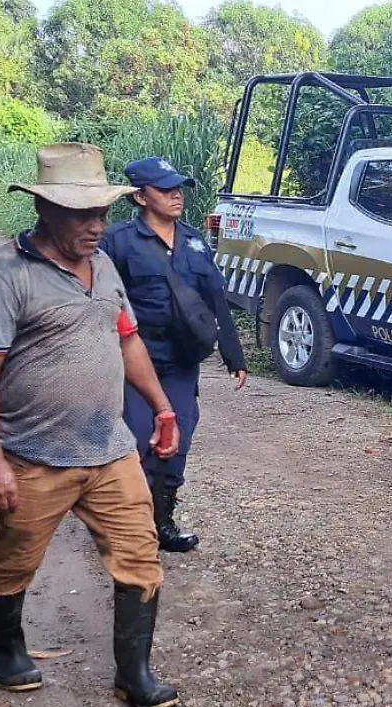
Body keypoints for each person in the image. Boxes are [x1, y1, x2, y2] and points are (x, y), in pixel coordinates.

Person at [0, 142, 182, 707]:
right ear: (46, 210)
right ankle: (6, 648)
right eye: (83, 215)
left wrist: (160, 406)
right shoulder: (1, 278)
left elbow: (126, 337)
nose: (97, 226)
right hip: (34, 455)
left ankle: (134, 674)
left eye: (102, 214)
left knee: (141, 555)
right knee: (14, 561)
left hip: (110, 450)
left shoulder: (103, 266)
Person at [100, 157, 247, 554]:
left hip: (182, 359)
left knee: (176, 438)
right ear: (140, 196)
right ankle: (128, 524)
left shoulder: (196, 241)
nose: (176, 195)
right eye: (165, 189)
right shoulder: (117, 241)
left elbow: (215, 298)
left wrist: (235, 354)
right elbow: (97, 298)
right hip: (134, 358)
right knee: (135, 438)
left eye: (178, 187)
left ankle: (162, 522)